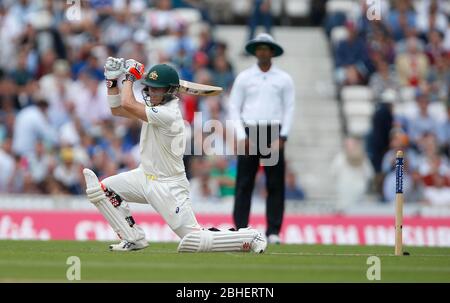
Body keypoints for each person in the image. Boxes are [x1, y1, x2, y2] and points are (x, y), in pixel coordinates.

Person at [83, 57, 267, 253]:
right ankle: (132, 238)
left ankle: (249, 236)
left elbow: (128, 103)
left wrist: (129, 76)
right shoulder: (154, 108)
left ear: (169, 90)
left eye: (156, 89)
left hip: (168, 186)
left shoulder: (168, 114)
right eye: (149, 88)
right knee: (102, 190)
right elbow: (117, 110)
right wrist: (111, 80)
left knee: (193, 240)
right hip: (143, 176)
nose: (151, 93)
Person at [229, 33, 295, 244]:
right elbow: (233, 107)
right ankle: (241, 228)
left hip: (273, 133)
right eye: (259, 48)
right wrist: (242, 135)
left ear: (272, 51)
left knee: (275, 183)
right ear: (255, 51)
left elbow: (289, 108)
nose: (263, 51)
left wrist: (283, 135)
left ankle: (273, 231)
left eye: (266, 48)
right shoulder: (245, 77)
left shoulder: (283, 79)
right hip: (250, 131)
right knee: (244, 183)